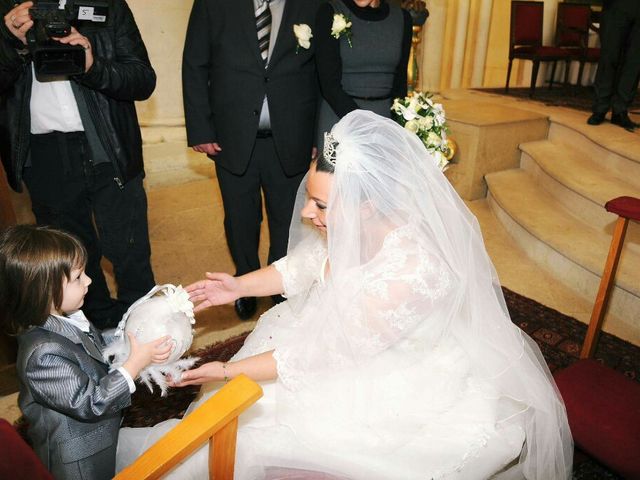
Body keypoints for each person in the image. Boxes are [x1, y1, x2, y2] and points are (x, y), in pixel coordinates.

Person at [116, 111, 573, 479]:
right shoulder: (351, 224)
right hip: (327, 339)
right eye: (311, 198)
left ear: (366, 204)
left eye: (321, 205)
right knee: (233, 426)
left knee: (264, 439)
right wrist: (238, 285)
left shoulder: (412, 270)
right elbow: (300, 268)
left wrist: (230, 368)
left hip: (379, 370)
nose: (308, 214)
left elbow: (323, 354)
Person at [0, 0, 157, 329]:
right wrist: (10, 41)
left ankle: (147, 335)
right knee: (70, 260)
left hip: (109, 146)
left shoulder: (106, 5)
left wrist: (91, 66)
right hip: (43, 156)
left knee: (129, 251)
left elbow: (142, 79)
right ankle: (98, 336)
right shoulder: (6, 11)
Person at [182, 0, 322, 320]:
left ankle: (277, 283)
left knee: (286, 219)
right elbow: (194, 65)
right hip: (230, 138)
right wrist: (201, 128)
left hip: (292, 138)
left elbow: (320, 74)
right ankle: (244, 280)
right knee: (240, 220)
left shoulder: (311, 5)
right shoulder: (211, 5)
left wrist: (317, 136)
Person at [0, 225, 171, 480]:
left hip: (101, 437)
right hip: (79, 461)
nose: (89, 280)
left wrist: (137, 334)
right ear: (44, 290)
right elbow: (92, 402)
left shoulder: (65, 317)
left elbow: (97, 347)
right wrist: (134, 363)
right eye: (78, 277)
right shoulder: (43, 355)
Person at [314, 0, 413, 147]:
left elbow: (400, 83)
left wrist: (396, 128)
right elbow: (329, 85)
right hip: (340, 119)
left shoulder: (402, 18)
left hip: (385, 124)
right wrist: (367, 125)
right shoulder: (330, 11)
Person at [587, 0, 640, 131]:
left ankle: (620, 110)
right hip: (617, 6)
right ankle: (600, 108)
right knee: (609, 57)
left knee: (634, 62)